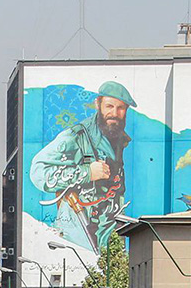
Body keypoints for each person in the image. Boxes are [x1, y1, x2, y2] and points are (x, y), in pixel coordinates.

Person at [28, 80, 135, 255]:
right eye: (109, 106)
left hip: (108, 230)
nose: (114, 113)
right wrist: (86, 173)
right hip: (77, 230)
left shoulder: (119, 139)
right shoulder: (76, 136)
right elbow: (38, 171)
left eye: (120, 108)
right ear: (97, 104)